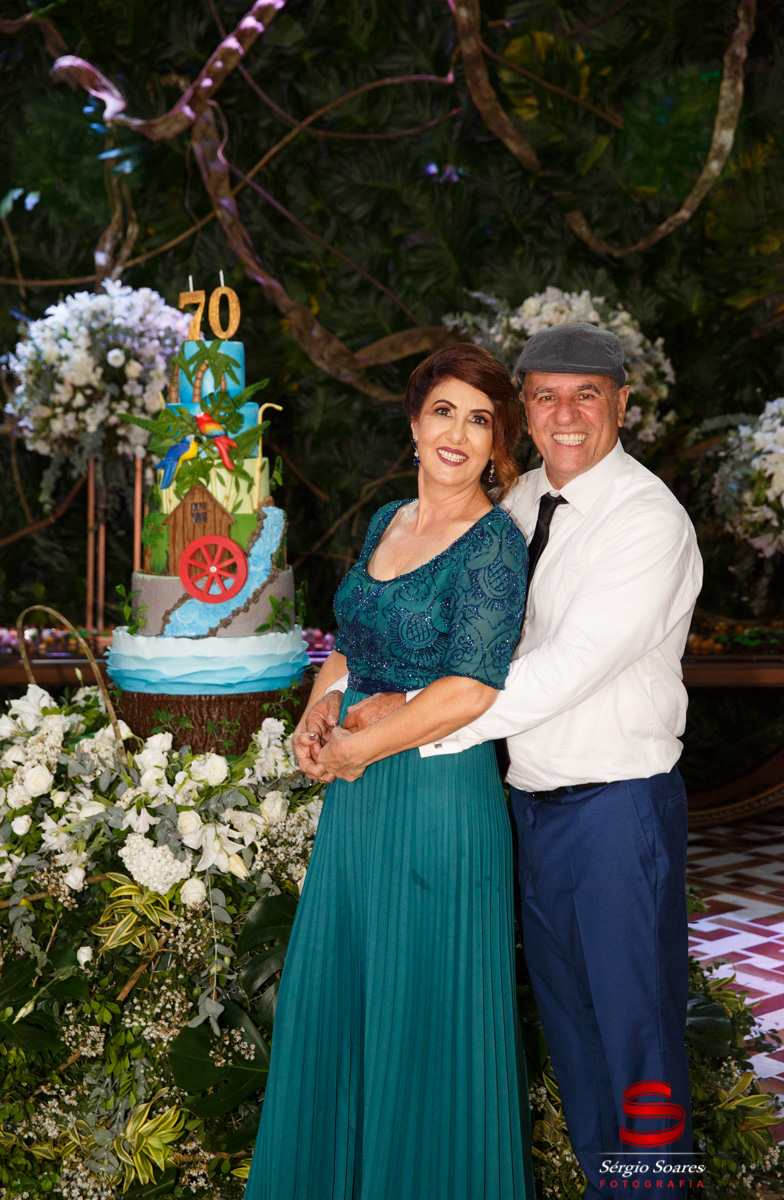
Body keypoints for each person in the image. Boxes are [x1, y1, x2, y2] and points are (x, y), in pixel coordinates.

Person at [308, 323, 703, 1198]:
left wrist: (407, 720)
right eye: (546, 395)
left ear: (621, 403)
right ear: (525, 409)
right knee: (575, 1046)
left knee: (637, 1048)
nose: (566, 413)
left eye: (587, 394)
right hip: (526, 806)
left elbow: (561, 669)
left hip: (616, 811)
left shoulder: (647, 521)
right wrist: (350, 692)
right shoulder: (518, 503)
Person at [245, 344, 536, 1200]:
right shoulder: (386, 522)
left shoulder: (493, 545)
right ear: (413, 424)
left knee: (422, 1017)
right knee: (341, 1003)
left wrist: (358, 749)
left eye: (479, 420)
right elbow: (353, 644)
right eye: (444, 411)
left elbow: (472, 687)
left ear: (497, 443)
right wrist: (319, 712)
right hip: (357, 807)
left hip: (437, 804)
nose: (458, 434)